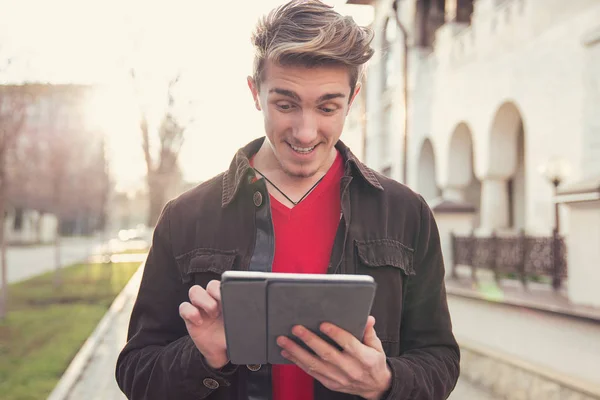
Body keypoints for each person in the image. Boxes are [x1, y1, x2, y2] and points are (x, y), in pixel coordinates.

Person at [115, 1, 460, 399]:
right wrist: (203, 355)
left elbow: (440, 357)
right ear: (255, 93)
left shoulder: (406, 214)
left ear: (353, 99)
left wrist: (385, 383)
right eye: (285, 104)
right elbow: (136, 372)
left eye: (328, 107)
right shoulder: (185, 218)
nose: (305, 131)